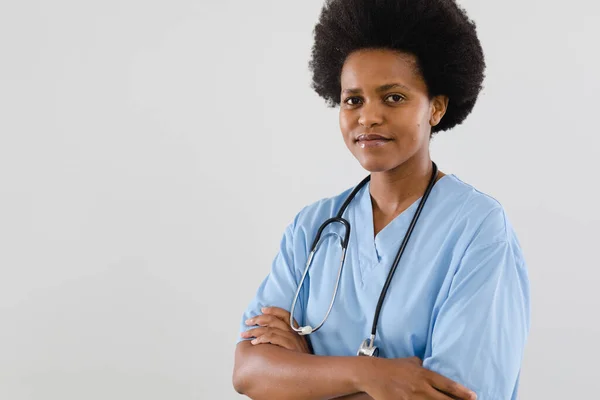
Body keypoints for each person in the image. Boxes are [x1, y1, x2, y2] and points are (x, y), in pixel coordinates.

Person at [232, 0, 530, 398]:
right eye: (353, 99)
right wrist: (369, 376)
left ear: (436, 108)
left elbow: (454, 395)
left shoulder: (477, 229)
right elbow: (248, 372)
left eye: (393, 98)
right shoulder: (314, 227)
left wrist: (303, 374)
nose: (367, 117)